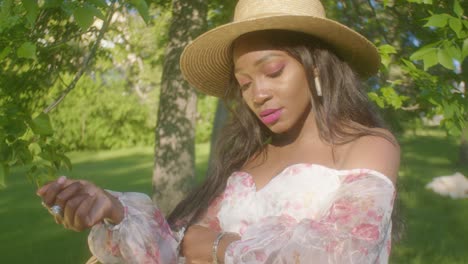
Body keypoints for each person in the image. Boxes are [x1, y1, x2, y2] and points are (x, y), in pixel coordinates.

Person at [37, 0, 400, 263]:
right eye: (244, 84)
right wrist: (113, 211)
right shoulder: (250, 159)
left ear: (317, 68)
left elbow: (347, 252)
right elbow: (179, 247)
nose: (258, 94)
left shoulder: (365, 146)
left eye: (273, 71)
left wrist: (219, 248)